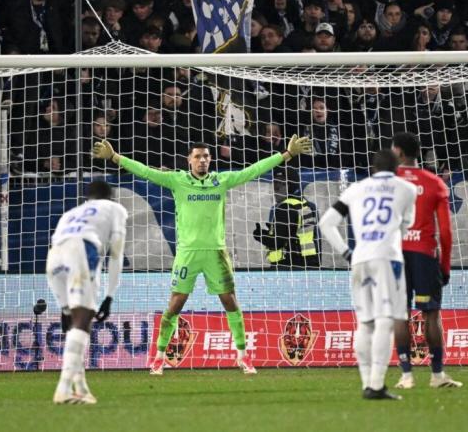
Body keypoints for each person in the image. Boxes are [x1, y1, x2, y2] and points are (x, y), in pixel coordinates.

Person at [92, 135, 312, 375]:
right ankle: (159, 357)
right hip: (187, 253)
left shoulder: (221, 180)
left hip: (216, 253)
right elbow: (145, 172)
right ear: (189, 160)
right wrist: (114, 157)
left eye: (206, 156)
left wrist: (287, 155)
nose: (202, 160)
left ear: (210, 159)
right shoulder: (178, 181)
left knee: (230, 301)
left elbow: (253, 170)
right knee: (175, 305)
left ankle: (243, 356)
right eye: (197, 156)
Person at [318, 149, 417, 401]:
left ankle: (367, 384)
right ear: (396, 168)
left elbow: (326, 223)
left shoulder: (356, 189)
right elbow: (405, 226)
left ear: (373, 169)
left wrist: (346, 253)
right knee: (386, 320)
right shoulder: (407, 189)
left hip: (360, 259)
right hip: (388, 259)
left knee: (365, 322)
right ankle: (376, 385)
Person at [46, 180, 128, 404]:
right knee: (83, 321)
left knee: (74, 323)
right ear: (110, 197)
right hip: (80, 250)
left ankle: (80, 388)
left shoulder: (71, 212)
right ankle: (63, 389)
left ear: (87, 198)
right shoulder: (115, 209)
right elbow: (116, 254)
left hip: (54, 257)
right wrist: (110, 296)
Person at [390, 133, 461, 390]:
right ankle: (437, 374)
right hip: (424, 254)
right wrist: (445, 266)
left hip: (395, 256)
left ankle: (406, 376)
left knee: (400, 315)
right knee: (431, 315)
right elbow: (446, 231)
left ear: (398, 152)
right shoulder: (434, 183)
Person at [253, 167, 320, 269]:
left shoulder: (285, 208)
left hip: (289, 266)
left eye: (280, 185)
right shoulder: (306, 205)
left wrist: (260, 235)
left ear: (291, 186)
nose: (276, 189)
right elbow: (294, 234)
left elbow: (277, 243)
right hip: (309, 262)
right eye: (274, 184)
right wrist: (271, 232)